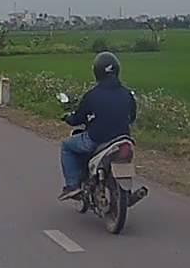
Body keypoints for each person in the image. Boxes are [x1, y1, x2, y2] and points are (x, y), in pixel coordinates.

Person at [58, 51, 137, 201]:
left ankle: (72, 186)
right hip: (123, 137)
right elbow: (132, 117)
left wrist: (68, 118)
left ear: (97, 72)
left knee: (66, 146)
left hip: (97, 139)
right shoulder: (127, 94)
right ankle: (126, 192)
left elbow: (78, 119)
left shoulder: (92, 95)